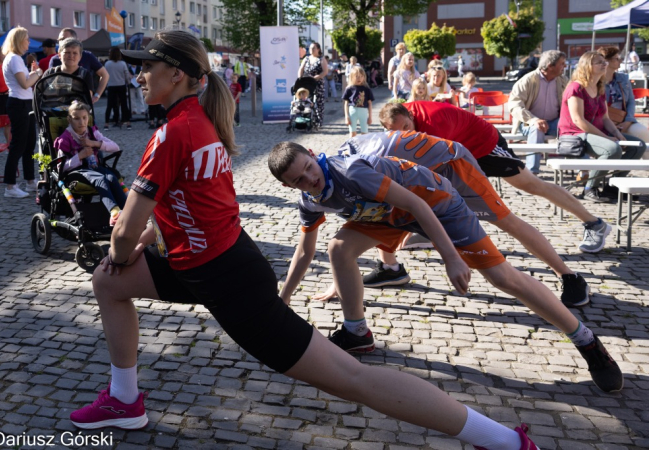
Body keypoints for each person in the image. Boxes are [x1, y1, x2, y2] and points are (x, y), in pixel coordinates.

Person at [67, 30, 544, 450]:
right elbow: (185, 206)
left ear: (175, 74)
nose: (140, 76)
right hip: (207, 262)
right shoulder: (197, 121)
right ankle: (125, 399)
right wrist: (133, 250)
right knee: (110, 285)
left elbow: (127, 229)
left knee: (352, 378)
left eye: (147, 67)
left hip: (226, 279)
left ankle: (505, 441)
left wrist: (120, 251)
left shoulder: (174, 133)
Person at [269, 139, 623, 396]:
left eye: (309, 169)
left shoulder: (352, 172)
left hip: (435, 204)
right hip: (389, 216)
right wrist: (281, 301)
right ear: (288, 187)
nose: (309, 180)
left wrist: (451, 256)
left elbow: (418, 206)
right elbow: (304, 251)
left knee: (502, 277)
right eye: (298, 180)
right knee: (338, 249)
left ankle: (587, 341)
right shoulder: (310, 200)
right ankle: (357, 333)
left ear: (315, 156)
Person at [377, 102, 615, 261]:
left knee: (531, 185)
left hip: (484, 145)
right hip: (459, 150)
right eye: (398, 132)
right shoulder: (400, 121)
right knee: (437, 189)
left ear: (409, 115)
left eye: (407, 128)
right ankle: (431, 234)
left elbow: (427, 169)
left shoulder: (433, 123)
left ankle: (595, 223)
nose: (405, 134)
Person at [558, 51, 646, 203]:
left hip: (594, 132)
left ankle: (613, 188)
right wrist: (606, 138)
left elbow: (605, 118)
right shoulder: (575, 88)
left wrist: (617, 134)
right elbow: (578, 120)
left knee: (638, 146)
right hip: (574, 134)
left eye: (604, 61)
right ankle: (589, 189)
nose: (604, 64)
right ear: (587, 66)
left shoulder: (600, 88)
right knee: (612, 149)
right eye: (599, 62)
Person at [54, 101, 126, 225]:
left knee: (111, 177)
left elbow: (116, 147)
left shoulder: (92, 132)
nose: (81, 122)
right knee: (100, 178)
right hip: (75, 172)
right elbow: (61, 168)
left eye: (84, 118)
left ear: (89, 118)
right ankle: (114, 213)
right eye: (76, 119)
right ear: (69, 119)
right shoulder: (64, 139)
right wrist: (80, 156)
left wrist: (94, 143)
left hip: (94, 167)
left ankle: (128, 211)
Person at [507, 50, 568, 174]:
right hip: (527, 124)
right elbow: (514, 105)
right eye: (562, 63)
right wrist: (533, 120)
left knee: (572, 127)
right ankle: (532, 172)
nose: (565, 66)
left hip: (554, 122)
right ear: (550, 66)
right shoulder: (527, 80)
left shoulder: (563, 81)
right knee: (537, 128)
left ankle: (581, 169)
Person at [1, 27, 41, 199]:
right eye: (26, 38)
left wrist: (32, 73)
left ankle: (30, 181)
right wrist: (38, 73)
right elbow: (25, 84)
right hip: (19, 104)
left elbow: (24, 82)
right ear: (18, 40)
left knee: (29, 144)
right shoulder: (14, 58)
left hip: (24, 103)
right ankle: (10, 186)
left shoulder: (15, 58)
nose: (29, 42)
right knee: (18, 145)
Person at [599, 46, 649, 146]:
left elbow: (631, 101)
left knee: (643, 132)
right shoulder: (596, 81)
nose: (620, 61)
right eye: (617, 59)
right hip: (603, 122)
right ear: (606, 61)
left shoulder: (623, 78)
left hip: (624, 120)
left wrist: (628, 121)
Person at [50, 28, 109, 104]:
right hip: (58, 106)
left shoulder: (87, 57)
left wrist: (97, 95)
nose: (62, 41)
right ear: (60, 55)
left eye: (65, 39)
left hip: (80, 107)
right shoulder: (54, 60)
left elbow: (105, 75)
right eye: (60, 39)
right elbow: (49, 84)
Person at [298, 42, 328, 128]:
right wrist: (300, 77)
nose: (311, 49)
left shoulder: (321, 59)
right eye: (310, 48)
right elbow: (301, 69)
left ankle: (318, 122)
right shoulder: (306, 58)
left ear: (318, 49)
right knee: (307, 101)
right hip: (307, 83)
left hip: (317, 83)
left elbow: (325, 71)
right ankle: (307, 120)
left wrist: (319, 76)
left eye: (313, 48)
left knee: (319, 103)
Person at [103, 47, 131, 131]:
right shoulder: (122, 63)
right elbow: (126, 74)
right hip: (121, 85)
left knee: (110, 105)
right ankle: (128, 122)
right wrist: (128, 82)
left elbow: (105, 75)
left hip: (111, 85)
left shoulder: (107, 64)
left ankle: (106, 124)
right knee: (124, 104)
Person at [342, 66, 374, 137]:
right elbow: (346, 103)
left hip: (363, 111)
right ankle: (352, 146)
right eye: (356, 76)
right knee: (352, 132)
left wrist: (370, 117)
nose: (359, 78)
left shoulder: (367, 89)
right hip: (352, 111)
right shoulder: (349, 89)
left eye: (361, 76)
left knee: (364, 132)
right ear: (352, 77)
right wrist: (346, 116)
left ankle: (364, 147)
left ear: (364, 77)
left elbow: (370, 103)